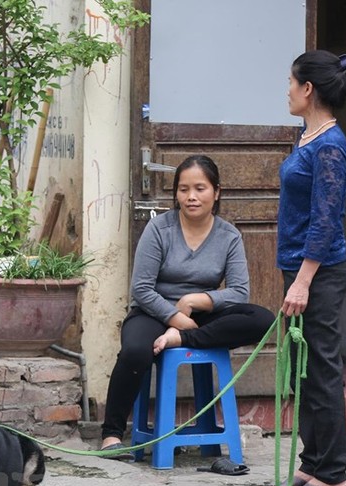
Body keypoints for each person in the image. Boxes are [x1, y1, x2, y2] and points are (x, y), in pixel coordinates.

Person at [99, 155, 276, 462]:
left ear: (216, 192)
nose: (191, 197)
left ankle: (182, 340)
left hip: (200, 316)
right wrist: (175, 316)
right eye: (183, 189)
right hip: (153, 310)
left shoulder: (228, 235)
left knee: (262, 319)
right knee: (136, 350)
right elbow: (141, 288)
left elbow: (238, 291)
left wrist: (194, 303)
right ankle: (111, 434)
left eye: (200, 188)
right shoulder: (159, 229)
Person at [264, 50, 346, 486]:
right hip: (298, 270)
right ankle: (312, 465)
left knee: (321, 370)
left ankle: (334, 476)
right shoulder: (307, 137)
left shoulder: (330, 146)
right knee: (302, 372)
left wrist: (303, 281)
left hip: (318, 274)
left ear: (309, 90)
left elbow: (326, 221)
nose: (286, 89)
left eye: (290, 82)